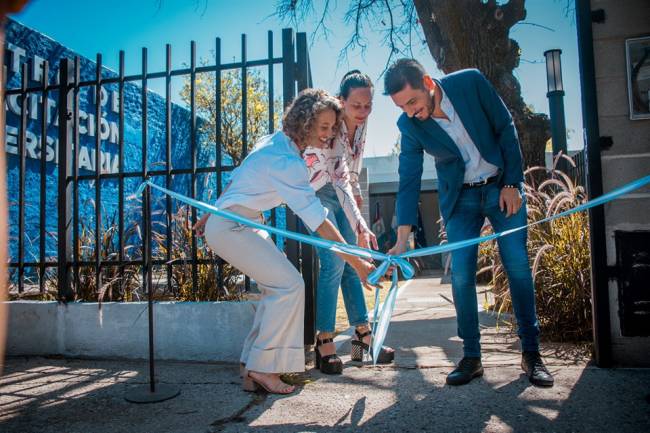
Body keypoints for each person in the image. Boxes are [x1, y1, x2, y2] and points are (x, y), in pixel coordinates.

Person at [384, 59, 554, 387]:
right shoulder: (409, 126)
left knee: (517, 264)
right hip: (460, 199)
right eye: (401, 106)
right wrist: (402, 239)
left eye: (412, 102)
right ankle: (472, 357)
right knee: (461, 275)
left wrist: (512, 183)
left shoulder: (470, 83)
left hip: (500, 186)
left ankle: (531, 354)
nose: (409, 112)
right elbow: (409, 178)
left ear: (428, 83)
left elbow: (505, 127)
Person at [193, 89, 376, 394]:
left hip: (240, 221)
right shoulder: (287, 162)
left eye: (333, 128)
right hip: (233, 225)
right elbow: (318, 221)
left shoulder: (274, 141)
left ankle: (252, 366)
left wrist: (211, 212)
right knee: (291, 285)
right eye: (324, 127)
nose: (330, 134)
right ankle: (266, 366)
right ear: (305, 122)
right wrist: (357, 263)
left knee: (278, 287)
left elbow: (240, 177)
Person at [303, 71, 394, 374]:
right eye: (356, 105)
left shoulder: (361, 124)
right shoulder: (333, 126)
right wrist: (357, 216)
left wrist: (356, 194)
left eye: (368, 106)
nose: (363, 112)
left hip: (342, 191)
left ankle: (361, 337)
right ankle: (324, 340)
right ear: (342, 101)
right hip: (316, 192)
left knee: (352, 261)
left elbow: (351, 168)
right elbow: (336, 175)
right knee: (334, 262)